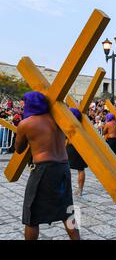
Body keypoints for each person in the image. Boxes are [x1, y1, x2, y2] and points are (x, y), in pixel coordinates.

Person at [15, 92, 80, 240]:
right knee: (68, 211)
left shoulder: (26, 123)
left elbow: (18, 149)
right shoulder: (58, 120)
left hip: (43, 169)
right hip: (63, 167)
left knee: (31, 214)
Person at [67, 108, 88, 197]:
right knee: (81, 169)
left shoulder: (69, 124)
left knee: (66, 169)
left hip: (71, 147)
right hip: (81, 147)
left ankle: (67, 189)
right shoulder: (83, 125)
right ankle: (80, 190)